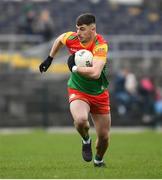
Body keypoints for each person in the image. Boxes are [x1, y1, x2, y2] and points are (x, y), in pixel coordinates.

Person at [39, 13, 111, 167]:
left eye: (82, 29)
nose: (78, 32)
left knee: (104, 137)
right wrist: (49, 59)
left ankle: (98, 160)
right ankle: (86, 140)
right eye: (77, 29)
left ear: (93, 29)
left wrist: (74, 68)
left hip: (99, 93)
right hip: (78, 89)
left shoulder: (100, 45)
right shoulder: (73, 38)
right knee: (80, 121)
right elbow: (60, 39)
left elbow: (96, 72)